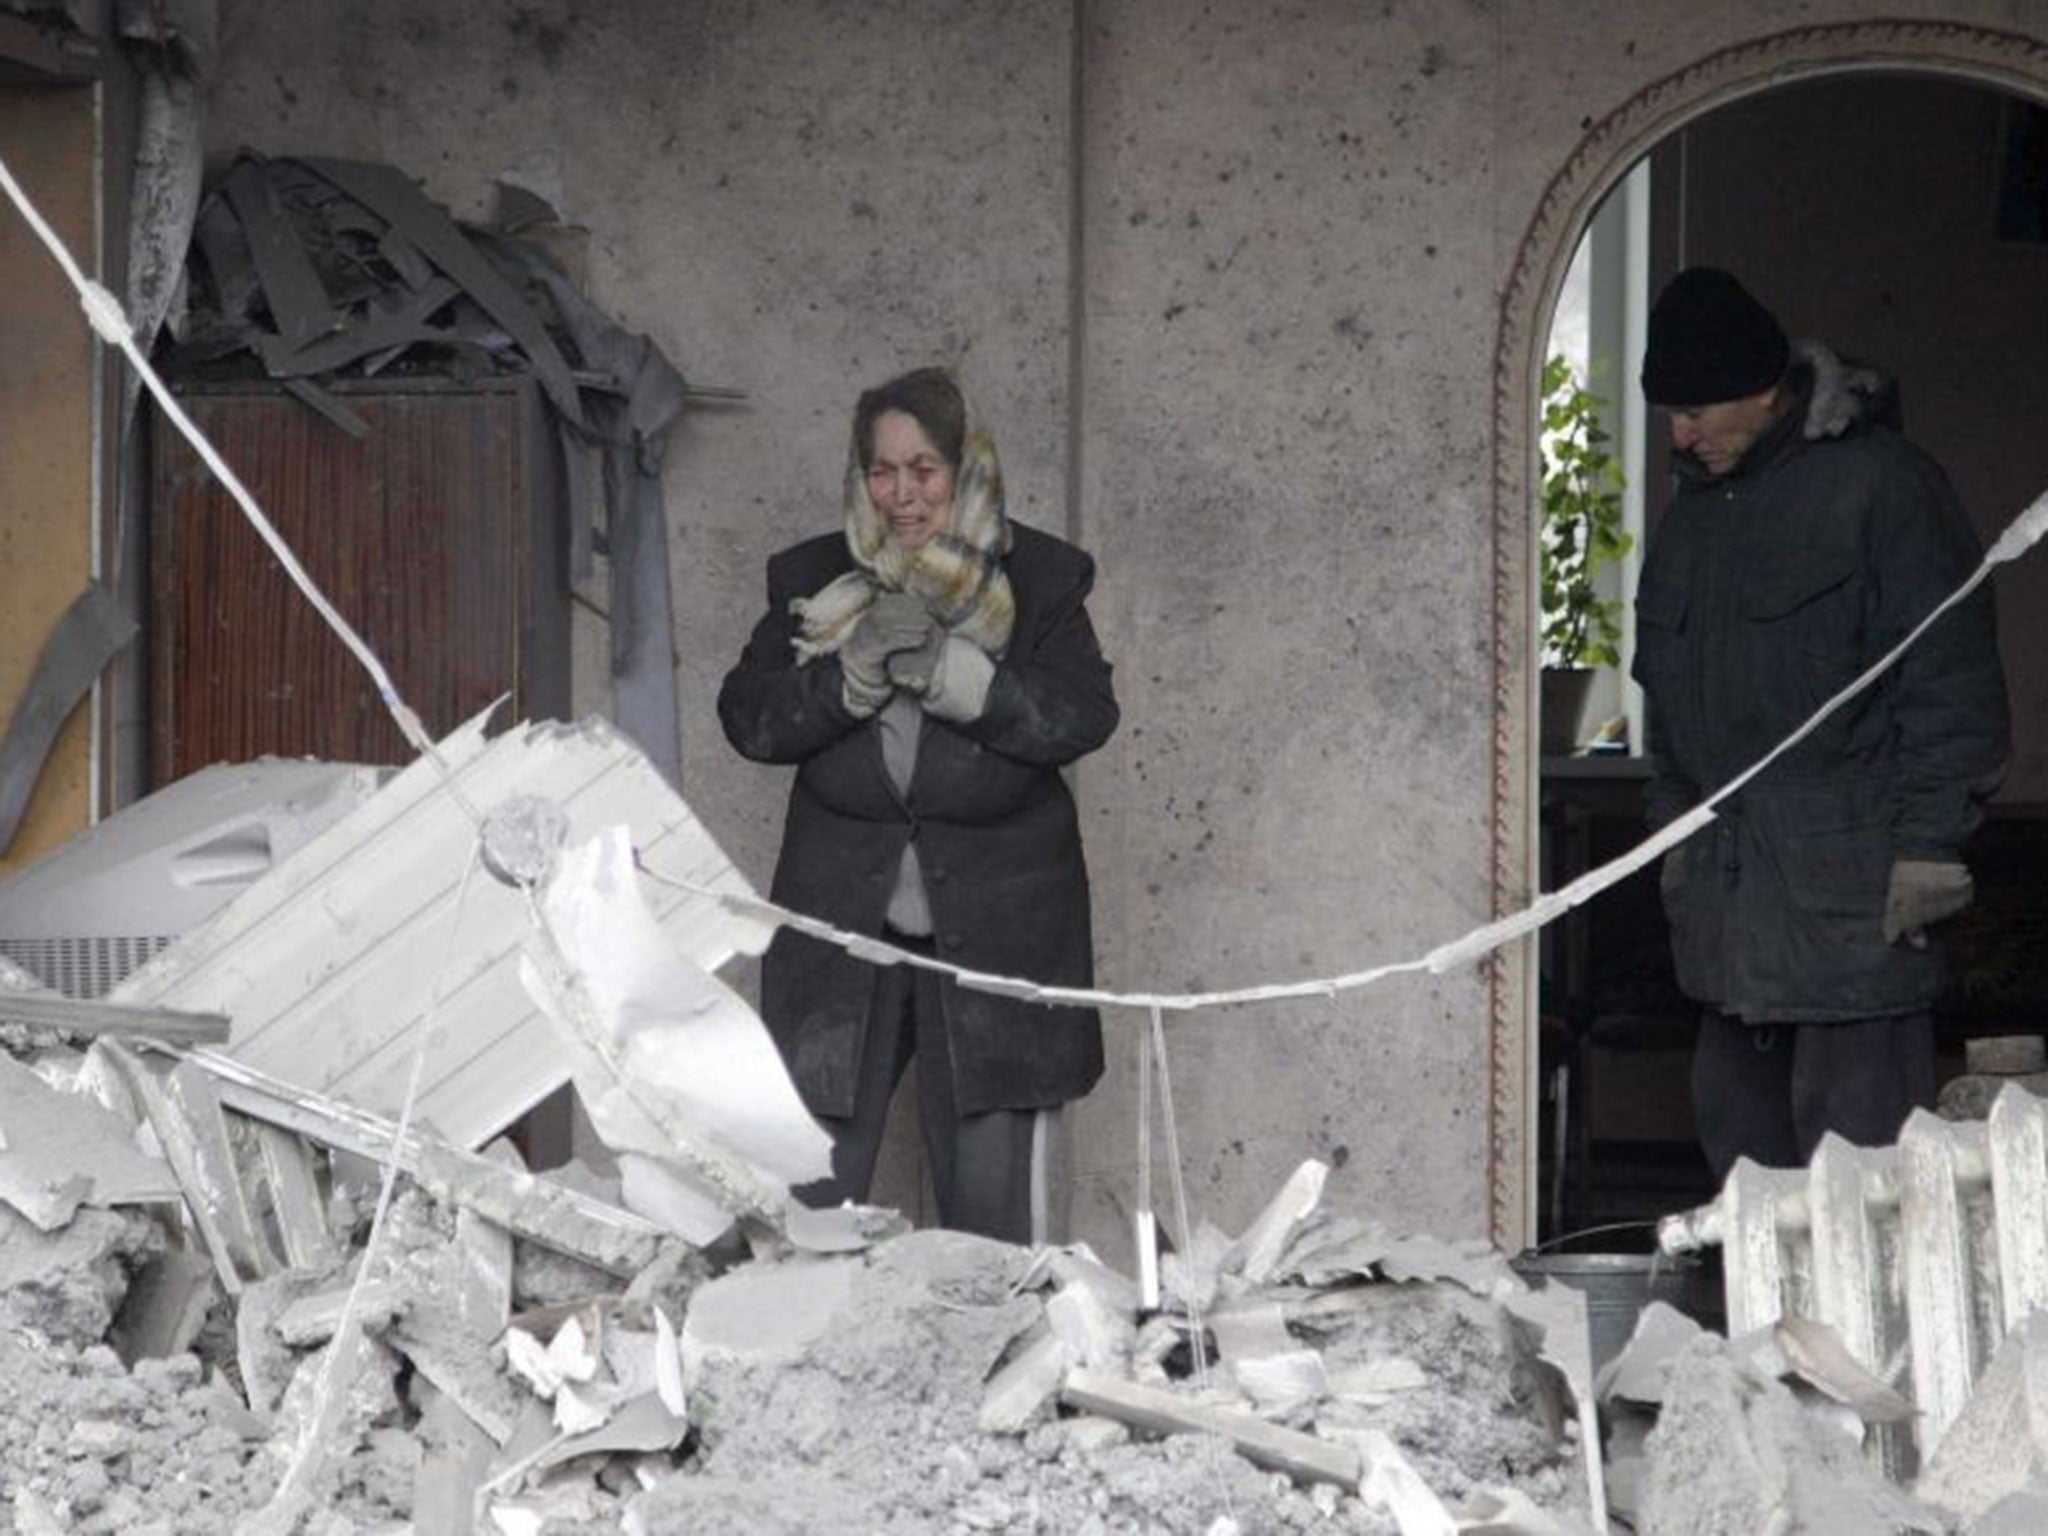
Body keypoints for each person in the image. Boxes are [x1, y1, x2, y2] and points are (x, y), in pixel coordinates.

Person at [718, 367, 1118, 1243]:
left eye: (925, 469)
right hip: (843, 930)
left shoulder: (1043, 580)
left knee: (990, 1224)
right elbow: (749, 720)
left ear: (965, 469)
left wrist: (965, 679)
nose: (903, 495)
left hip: (998, 933)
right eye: (882, 471)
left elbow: (1082, 716)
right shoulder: (813, 579)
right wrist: (845, 678)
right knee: (807, 1203)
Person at [1631, 267, 2010, 1181]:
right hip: (1728, 912)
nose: (1679, 433)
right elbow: (1670, 700)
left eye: (1697, 411)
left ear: (1767, 389)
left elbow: (1951, 679)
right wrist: (1674, 836)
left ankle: (1866, 1334)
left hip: (1856, 900)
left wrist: (1929, 846)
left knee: (1864, 1179)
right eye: (1669, 413)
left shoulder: (1883, 489)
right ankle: (1763, 1334)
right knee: (1743, 1176)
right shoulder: (1693, 519)